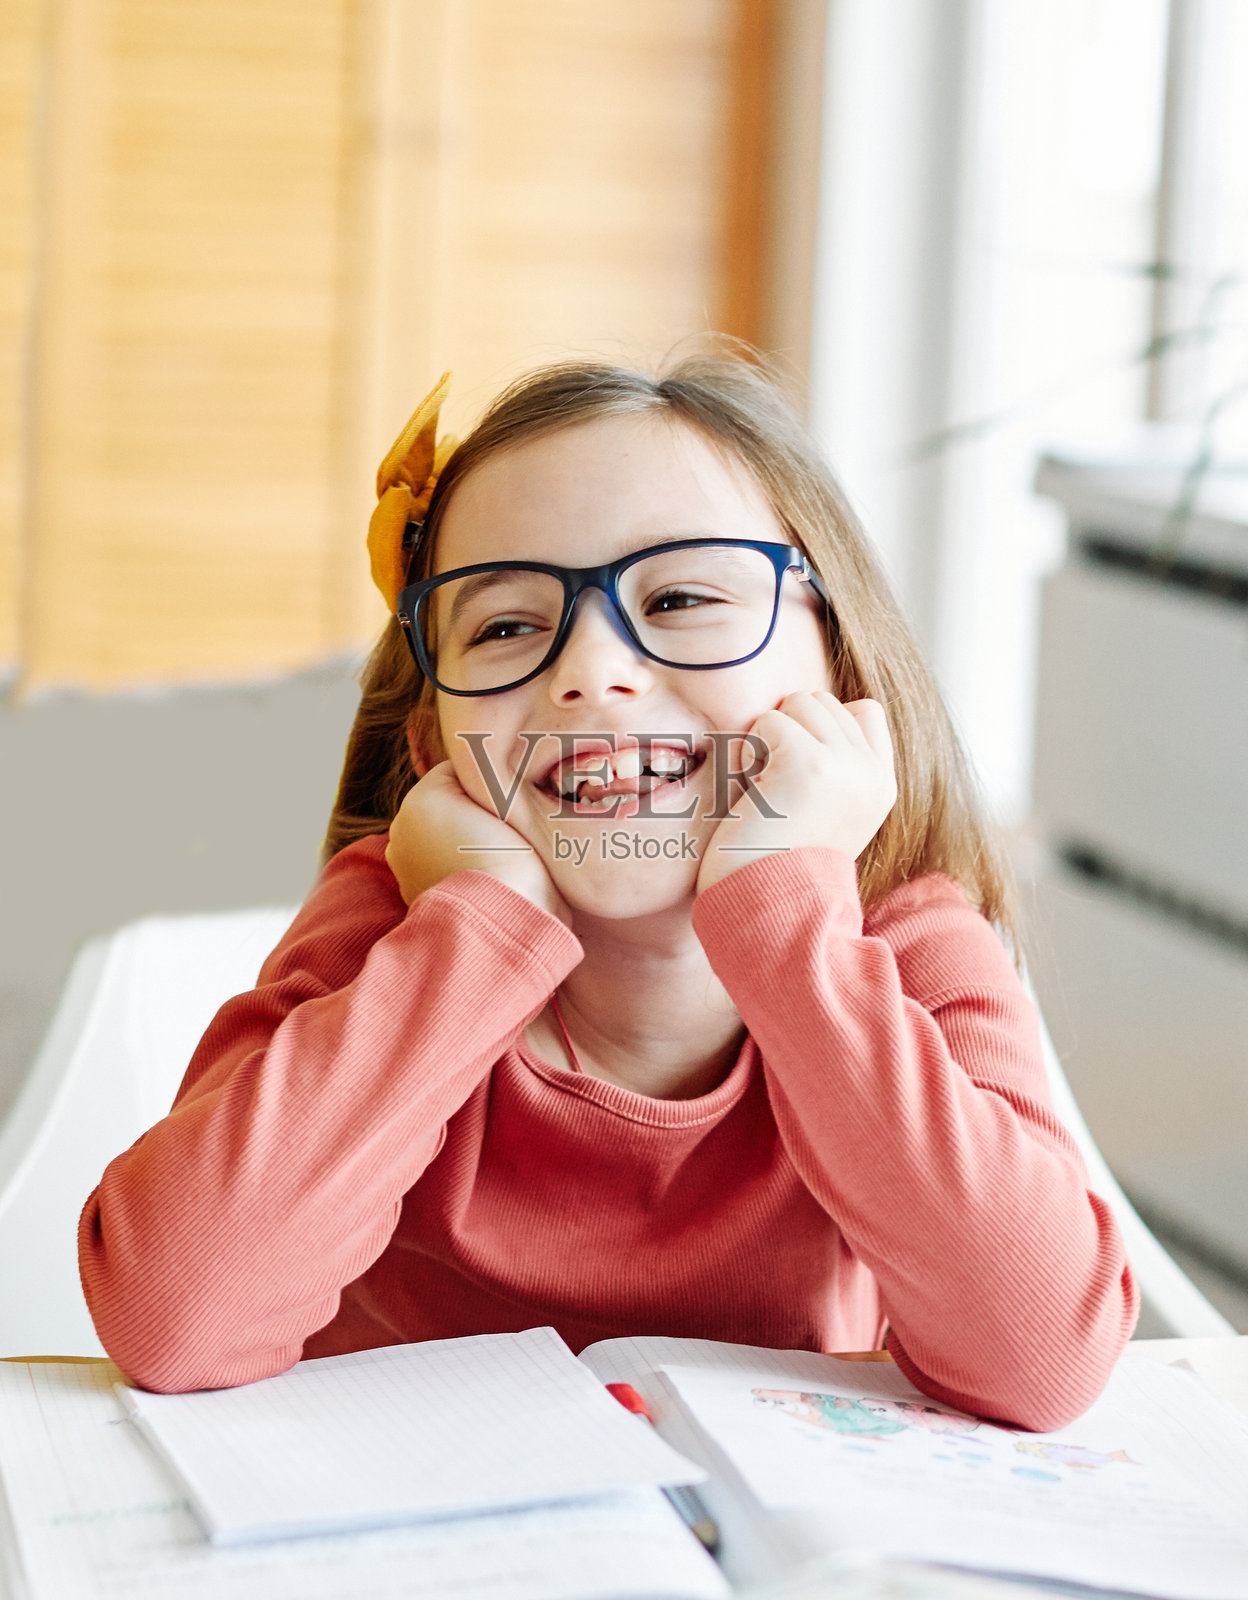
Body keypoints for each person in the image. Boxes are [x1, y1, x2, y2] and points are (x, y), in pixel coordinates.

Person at [79, 354, 1138, 1427]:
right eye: (505, 625)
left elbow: (1041, 1356)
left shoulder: (898, 938)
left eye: (680, 597)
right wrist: (477, 932)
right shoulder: (397, 927)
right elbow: (178, 1319)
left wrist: (781, 913)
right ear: (433, 743)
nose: (591, 667)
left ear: (840, 674)